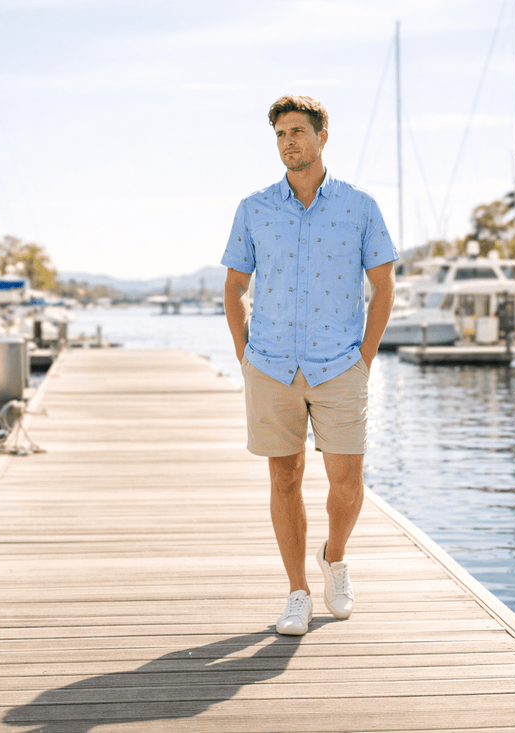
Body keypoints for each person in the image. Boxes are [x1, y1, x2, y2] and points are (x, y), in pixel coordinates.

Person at [222, 95, 398, 636]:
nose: (288, 141)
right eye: (280, 133)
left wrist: (364, 359)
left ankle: (335, 557)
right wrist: (244, 353)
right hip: (271, 364)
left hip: (339, 364)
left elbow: (383, 286)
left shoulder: (360, 207)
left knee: (347, 479)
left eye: (298, 131)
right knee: (284, 478)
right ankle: (297, 591)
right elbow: (234, 286)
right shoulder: (253, 209)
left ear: (323, 136)